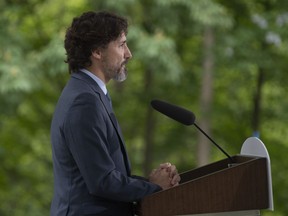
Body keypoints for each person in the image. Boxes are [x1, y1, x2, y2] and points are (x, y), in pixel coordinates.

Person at [50, 11, 181, 216]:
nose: (128, 54)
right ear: (97, 51)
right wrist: (155, 188)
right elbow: (101, 181)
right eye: (121, 45)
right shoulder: (84, 102)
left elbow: (107, 175)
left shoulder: (90, 94)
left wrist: (152, 182)